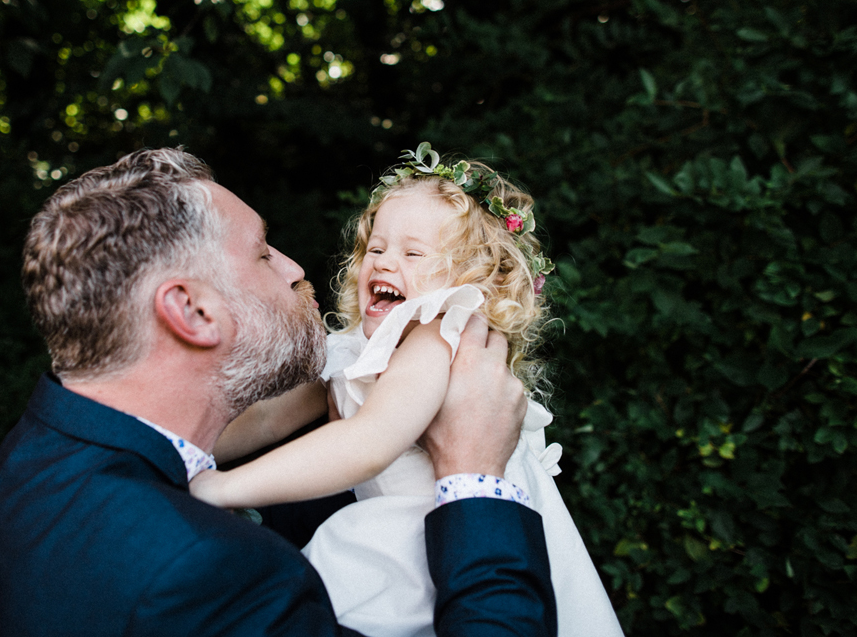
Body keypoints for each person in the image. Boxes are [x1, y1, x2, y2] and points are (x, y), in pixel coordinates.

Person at [0, 147, 557, 637]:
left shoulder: (32, 464)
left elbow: (286, 423)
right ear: (191, 310)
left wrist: (202, 482)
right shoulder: (210, 572)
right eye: (264, 253)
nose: (296, 267)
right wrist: (478, 477)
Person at [190, 144, 624, 637]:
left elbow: (370, 443)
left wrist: (222, 488)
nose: (384, 263)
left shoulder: (438, 336)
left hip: (434, 550)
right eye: (375, 248)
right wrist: (183, 449)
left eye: (413, 253)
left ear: (471, 279)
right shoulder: (356, 350)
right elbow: (268, 418)